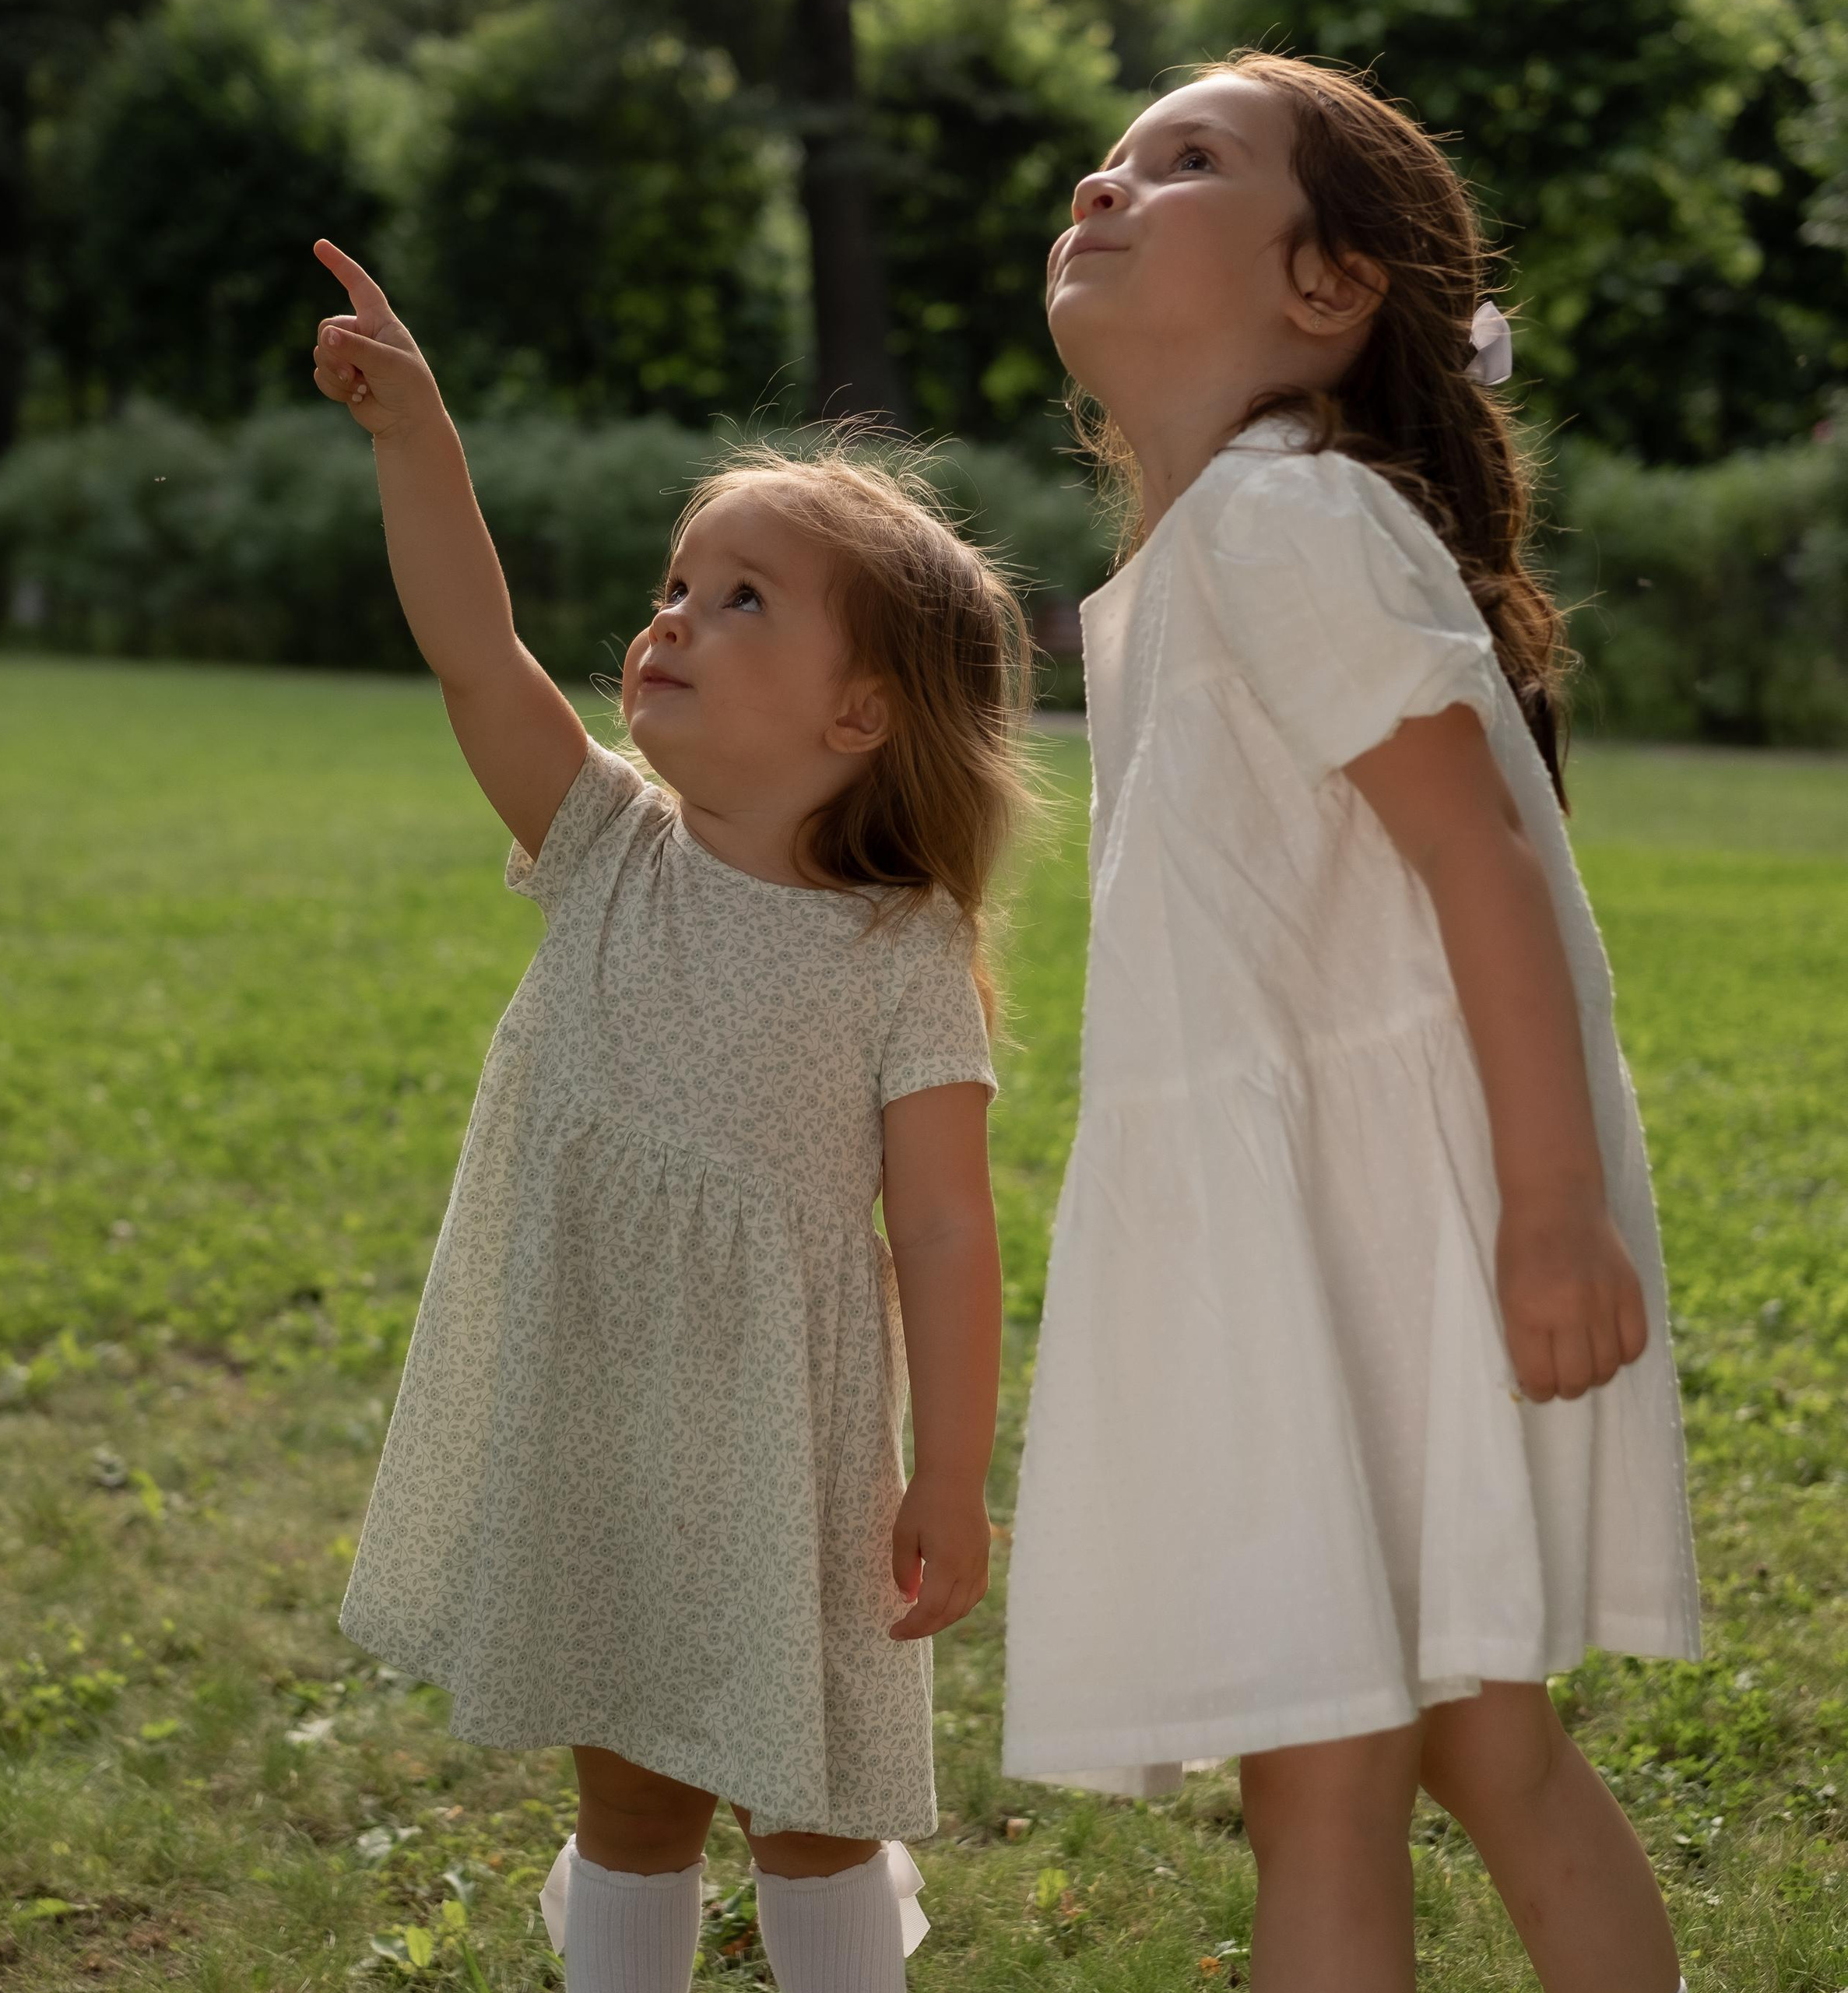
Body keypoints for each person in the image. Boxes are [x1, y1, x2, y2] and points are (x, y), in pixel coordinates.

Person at [1000, 52, 1700, 1993]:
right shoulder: (1210, 539)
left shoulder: (1275, 517)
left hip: (1386, 1234)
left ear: (1330, 288)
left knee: (1331, 1777)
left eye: (1187, 161)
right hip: (1318, 1235)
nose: (1103, 181)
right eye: (1112, 158)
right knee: (1477, 1741)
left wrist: (1549, 1203)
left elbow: (1479, 849)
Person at [307, 239, 1028, 1993]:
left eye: (741, 599)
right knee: (628, 1785)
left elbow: (941, 1224)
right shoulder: (602, 844)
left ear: (861, 713)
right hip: (595, 1401)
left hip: (786, 1441)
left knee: (806, 1800)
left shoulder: (897, 945)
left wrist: (945, 1467)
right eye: (673, 585)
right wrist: (418, 435)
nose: (670, 618)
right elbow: (476, 651)